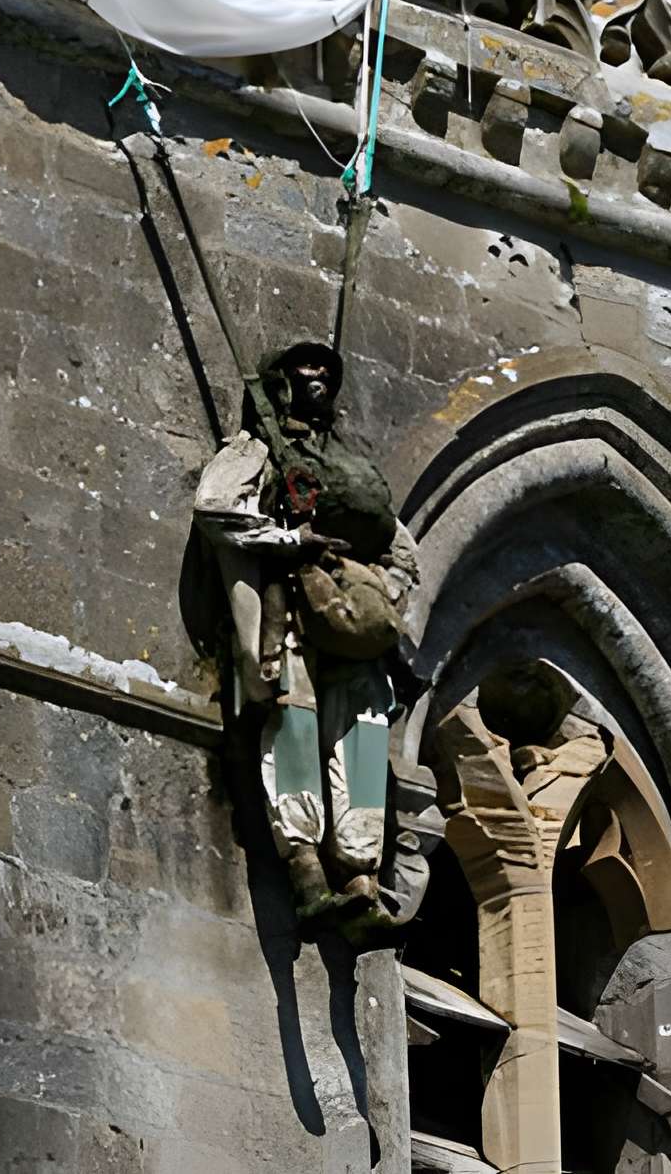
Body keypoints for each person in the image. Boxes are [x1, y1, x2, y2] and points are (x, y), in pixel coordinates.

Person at [193, 341, 419, 930]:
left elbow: (399, 546)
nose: (316, 378)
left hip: (354, 621)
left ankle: (363, 876)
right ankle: (306, 872)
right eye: (304, 369)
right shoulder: (257, 450)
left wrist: (379, 590)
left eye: (325, 370)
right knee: (293, 726)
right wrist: (290, 541)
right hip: (287, 610)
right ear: (282, 381)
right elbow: (216, 507)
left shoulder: (348, 466)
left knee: (366, 734)